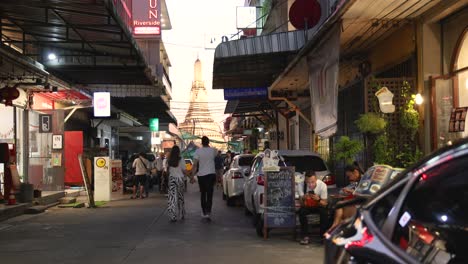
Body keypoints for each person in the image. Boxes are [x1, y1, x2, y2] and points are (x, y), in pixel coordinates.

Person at [326, 164, 363, 235]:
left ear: (355, 172)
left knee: (339, 205)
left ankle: (334, 227)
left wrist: (352, 192)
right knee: (338, 204)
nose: (349, 178)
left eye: (349, 176)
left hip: (360, 205)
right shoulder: (356, 181)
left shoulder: (364, 180)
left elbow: (363, 193)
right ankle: (335, 227)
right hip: (354, 203)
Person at [189, 136, 217, 220]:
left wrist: (192, 176)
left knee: (203, 193)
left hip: (201, 176)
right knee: (210, 193)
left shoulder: (198, 151)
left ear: (201, 142)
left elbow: (194, 165)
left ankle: (204, 211)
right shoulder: (213, 150)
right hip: (211, 174)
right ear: (208, 142)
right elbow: (215, 154)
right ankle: (208, 211)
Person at [298, 170, 329, 245]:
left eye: (312, 182)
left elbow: (325, 204)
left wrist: (318, 200)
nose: (310, 185)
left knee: (324, 212)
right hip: (307, 206)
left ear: (316, 180)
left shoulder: (322, 185)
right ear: (305, 181)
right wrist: (303, 198)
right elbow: (301, 204)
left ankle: (322, 236)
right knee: (301, 212)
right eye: (308, 182)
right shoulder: (301, 185)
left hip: (319, 205)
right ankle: (305, 236)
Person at [167, 145, 188, 222]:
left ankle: (173, 216)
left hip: (171, 179)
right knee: (180, 197)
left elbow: (168, 170)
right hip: (180, 179)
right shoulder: (181, 159)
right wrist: (190, 176)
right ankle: (182, 214)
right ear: (178, 152)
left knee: (172, 197)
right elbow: (184, 170)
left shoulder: (169, 160)